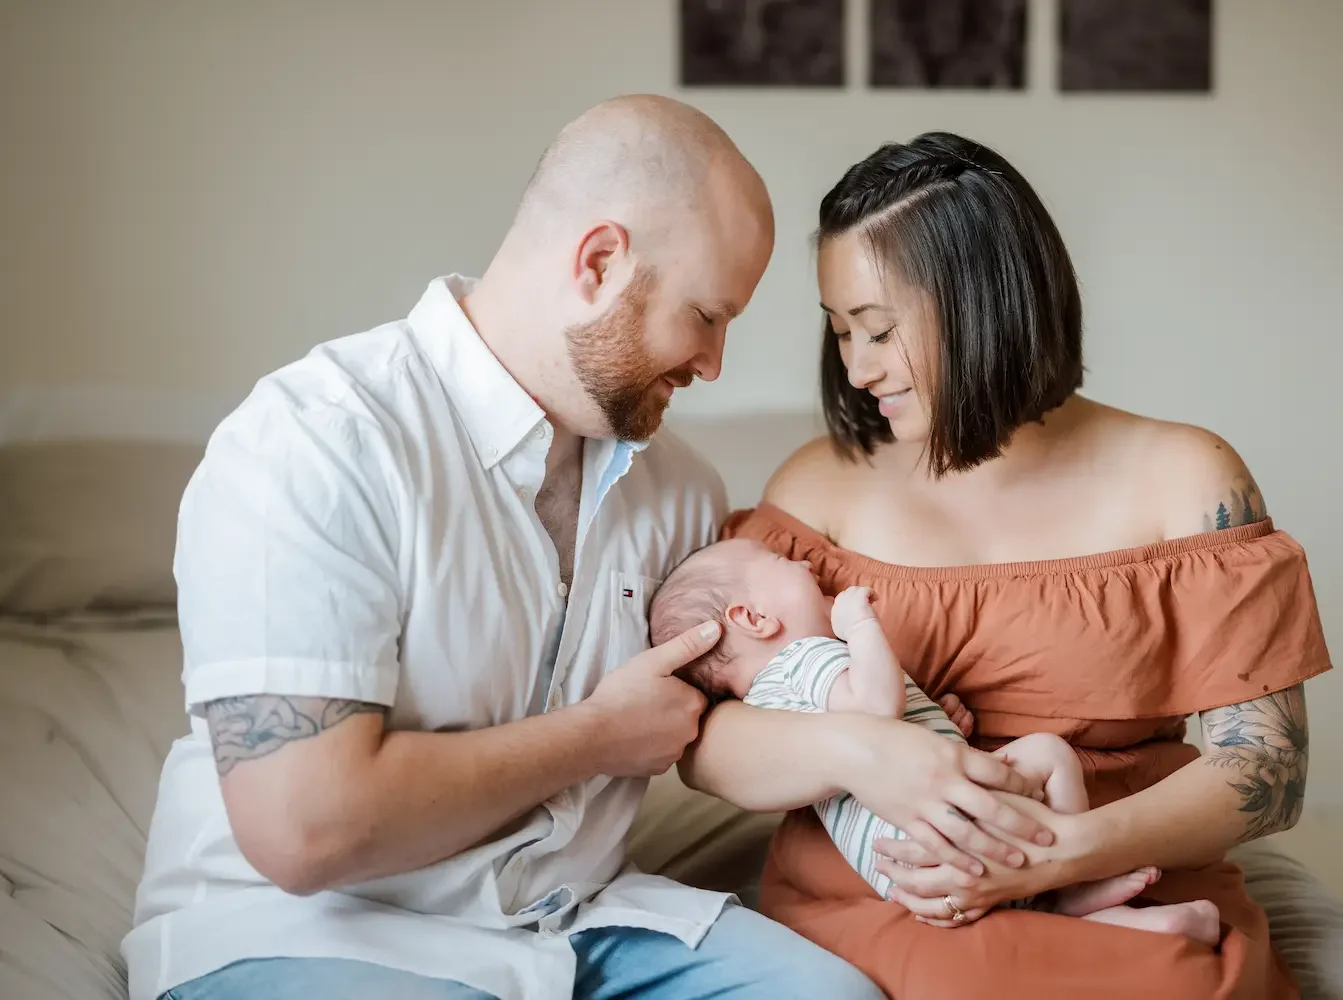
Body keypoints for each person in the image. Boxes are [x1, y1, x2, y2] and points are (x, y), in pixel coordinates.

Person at [123, 96, 885, 1000]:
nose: (714, 364)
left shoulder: (681, 493)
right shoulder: (317, 441)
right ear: (600, 263)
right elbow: (303, 831)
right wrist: (594, 738)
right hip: (314, 929)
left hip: (575, 923)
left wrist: (891, 755)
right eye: (706, 317)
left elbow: (744, 709)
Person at [678, 131, 1333, 999]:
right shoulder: (816, 487)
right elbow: (703, 739)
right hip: (892, 884)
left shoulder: (1186, 478)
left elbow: (1267, 773)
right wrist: (859, 753)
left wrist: (1052, 857)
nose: (857, 368)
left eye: (879, 330)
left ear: (984, 303)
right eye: (841, 333)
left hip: (1110, 876)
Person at [649, 538, 1222, 942]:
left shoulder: (770, 702)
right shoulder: (810, 657)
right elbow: (875, 706)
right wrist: (859, 627)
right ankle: (1073, 883)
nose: (803, 564)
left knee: (1030, 891)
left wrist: (933, 720)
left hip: (907, 869)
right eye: (781, 562)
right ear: (752, 618)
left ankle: (1099, 917)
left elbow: (863, 738)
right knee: (1048, 752)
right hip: (947, 831)